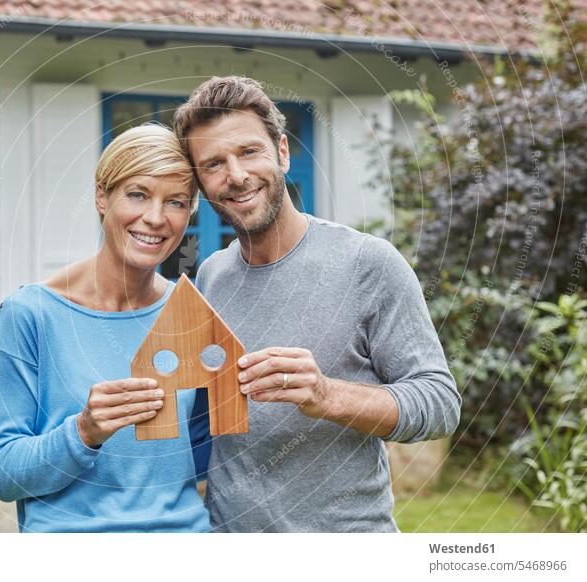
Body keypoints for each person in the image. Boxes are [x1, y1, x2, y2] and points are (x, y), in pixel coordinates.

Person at [173, 76, 461, 532]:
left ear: (282, 153)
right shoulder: (211, 275)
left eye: (249, 151)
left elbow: (439, 403)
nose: (236, 175)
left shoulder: (367, 263)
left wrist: (326, 395)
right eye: (214, 164)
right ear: (201, 184)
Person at [0, 124, 211, 533]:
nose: (155, 218)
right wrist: (83, 432)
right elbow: (2, 474)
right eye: (137, 194)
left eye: (175, 202)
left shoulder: (191, 311)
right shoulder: (30, 314)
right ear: (102, 196)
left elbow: (203, 451)